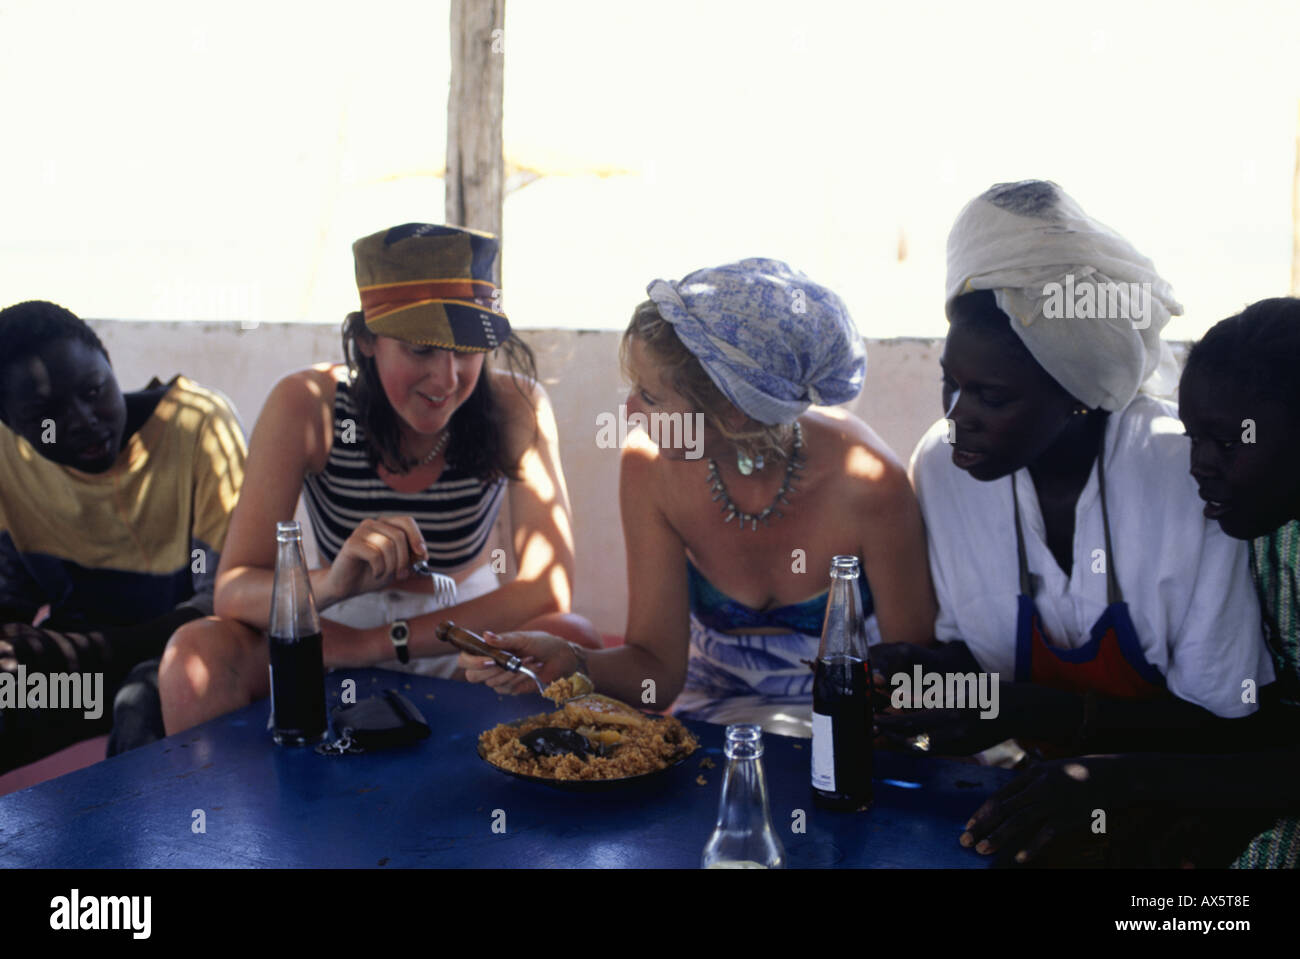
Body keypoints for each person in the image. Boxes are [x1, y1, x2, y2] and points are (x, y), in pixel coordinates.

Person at [872, 180, 1273, 762]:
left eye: (992, 397)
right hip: (1029, 782)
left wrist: (1014, 712)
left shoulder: (1182, 475)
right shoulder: (943, 466)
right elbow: (975, 655)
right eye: (950, 384)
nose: (958, 419)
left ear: (1078, 393)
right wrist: (927, 673)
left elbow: (1224, 724)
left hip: (1169, 799)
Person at [459, 258, 937, 736]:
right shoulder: (649, 468)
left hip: (857, 727)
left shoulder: (869, 484)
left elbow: (911, 687)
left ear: (733, 413)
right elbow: (658, 676)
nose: (628, 411)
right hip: (714, 722)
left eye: (649, 396)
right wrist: (570, 661)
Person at [158, 223, 598, 735]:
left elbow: (548, 590)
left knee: (573, 638)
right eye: (421, 350)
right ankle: (209, 813)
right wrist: (334, 583)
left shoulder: (514, 406)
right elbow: (233, 591)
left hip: (464, 632)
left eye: (465, 350)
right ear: (367, 339)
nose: (447, 378)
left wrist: (377, 643)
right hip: (332, 624)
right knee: (195, 654)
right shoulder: (306, 403)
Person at [961, 297, 1300, 867]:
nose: (1199, 464)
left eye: (1227, 441)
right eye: (1194, 437)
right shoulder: (1268, 533)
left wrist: (1121, 779)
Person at [0, 300, 246, 771]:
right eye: (45, 416)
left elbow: (225, 604)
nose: (82, 419)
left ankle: (152, 847)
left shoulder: (197, 426)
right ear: (10, 425)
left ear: (110, 364)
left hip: (184, 659)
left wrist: (72, 654)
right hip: (79, 680)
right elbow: (13, 592)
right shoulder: (9, 460)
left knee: (141, 706)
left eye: (94, 390)